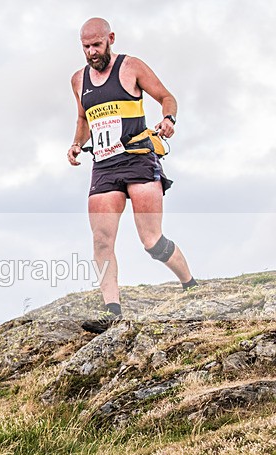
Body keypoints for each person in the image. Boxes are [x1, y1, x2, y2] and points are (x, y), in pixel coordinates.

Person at [67, 17, 197, 334]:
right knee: (101, 241)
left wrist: (169, 119)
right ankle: (113, 310)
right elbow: (84, 118)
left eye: (96, 45)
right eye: (85, 47)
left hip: (138, 159)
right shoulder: (77, 79)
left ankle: (191, 285)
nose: (91, 52)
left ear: (110, 38)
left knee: (151, 241)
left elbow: (167, 97)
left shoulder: (131, 66)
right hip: (105, 166)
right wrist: (75, 144)